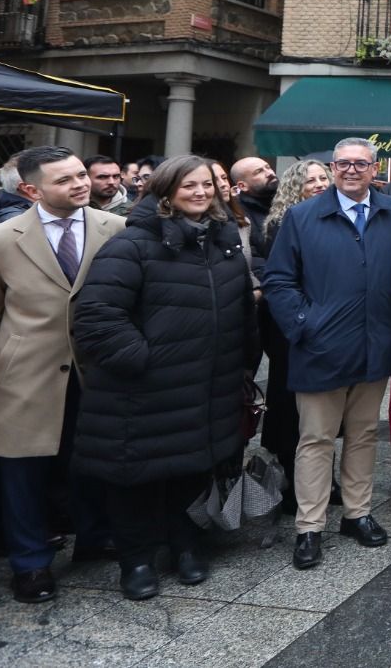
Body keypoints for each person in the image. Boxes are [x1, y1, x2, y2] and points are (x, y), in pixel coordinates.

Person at [71, 155, 258, 600]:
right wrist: (144, 360)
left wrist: (244, 361)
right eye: (189, 185)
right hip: (143, 389)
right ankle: (136, 560)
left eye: (207, 185)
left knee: (191, 470)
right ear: (164, 190)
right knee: (136, 476)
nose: (200, 193)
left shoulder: (224, 241)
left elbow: (240, 313)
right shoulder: (132, 243)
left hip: (206, 386)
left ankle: (185, 545)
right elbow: (97, 315)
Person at [264, 138, 391, 571]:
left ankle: (357, 514)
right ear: (331, 168)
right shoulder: (302, 216)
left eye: (360, 164)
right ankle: (309, 527)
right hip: (320, 348)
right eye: (343, 164)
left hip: (374, 345)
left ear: (374, 168)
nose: (351, 170)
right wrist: (304, 324)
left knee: (364, 435)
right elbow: (278, 280)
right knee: (315, 439)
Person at [0, 147, 124, 603]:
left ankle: (94, 536)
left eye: (81, 174)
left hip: (97, 371)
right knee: (22, 472)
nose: (81, 184)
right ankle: (29, 564)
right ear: (31, 190)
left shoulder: (117, 228)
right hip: (26, 375)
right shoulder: (1, 239)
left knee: (90, 459)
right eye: (65, 180)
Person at [258, 160, 332, 510]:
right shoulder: (280, 225)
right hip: (292, 331)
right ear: (294, 187)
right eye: (310, 180)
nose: (318, 184)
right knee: (291, 410)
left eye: (322, 178)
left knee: (324, 411)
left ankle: (323, 480)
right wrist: (303, 321)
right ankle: (292, 484)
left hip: (328, 328)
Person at [229, 156, 278, 240]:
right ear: (243, 186)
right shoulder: (239, 214)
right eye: (258, 172)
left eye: (268, 167)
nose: (269, 173)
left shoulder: (289, 201)